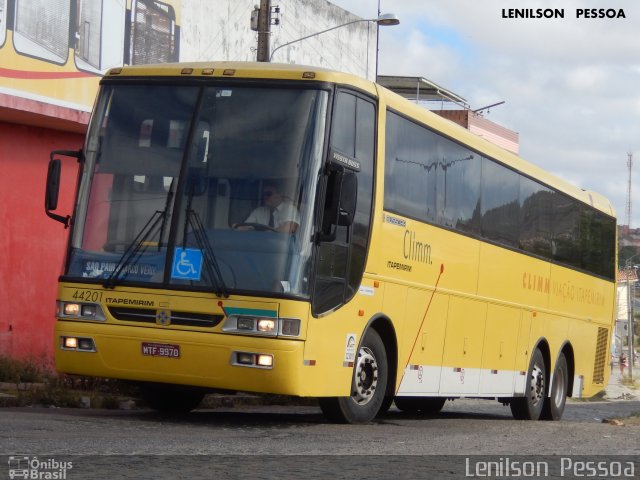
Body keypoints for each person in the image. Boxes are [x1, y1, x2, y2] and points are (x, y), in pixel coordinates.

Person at [234, 181, 299, 233]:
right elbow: (246, 226)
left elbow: (289, 229)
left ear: (279, 194)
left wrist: (268, 232)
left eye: (268, 194)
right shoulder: (258, 211)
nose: (265, 197)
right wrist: (238, 227)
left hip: (280, 247)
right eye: (264, 194)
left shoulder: (289, 210)